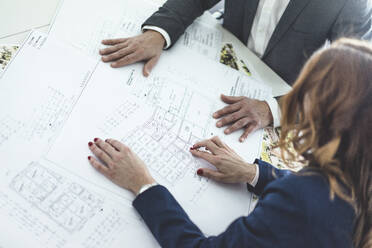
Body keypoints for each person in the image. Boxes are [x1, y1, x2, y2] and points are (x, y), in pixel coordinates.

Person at [87, 38, 372, 247]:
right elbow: (326, 194)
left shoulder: (301, 199)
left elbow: (308, 200)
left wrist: (143, 184)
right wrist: (254, 173)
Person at [98, 0, 372, 142]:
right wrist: (159, 33)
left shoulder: (352, 3)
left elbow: (352, 82)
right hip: (214, 65)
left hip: (279, 96)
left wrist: (273, 110)